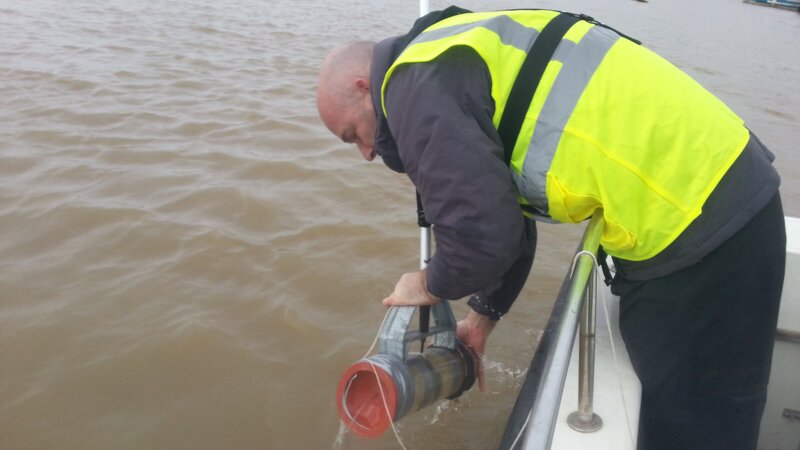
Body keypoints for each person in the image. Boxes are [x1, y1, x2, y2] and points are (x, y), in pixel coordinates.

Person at [316, 7, 785, 450]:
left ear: (364, 86)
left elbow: (482, 237)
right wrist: (479, 322)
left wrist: (427, 284)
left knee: (694, 425)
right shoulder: (445, 52)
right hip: (714, 195)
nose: (366, 153)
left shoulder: (414, 88)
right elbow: (507, 221)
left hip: (699, 222)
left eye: (353, 134)